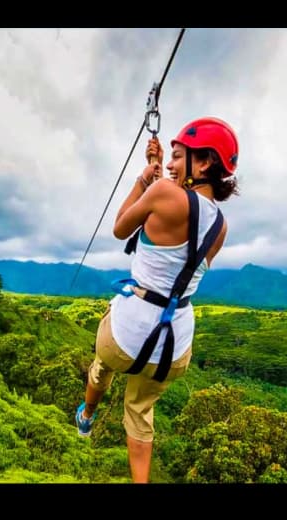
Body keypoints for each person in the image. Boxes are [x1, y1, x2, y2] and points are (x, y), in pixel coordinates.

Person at [75, 116, 240, 483]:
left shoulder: (164, 192)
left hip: (127, 334)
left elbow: (120, 227)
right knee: (139, 410)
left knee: (102, 367)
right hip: (174, 348)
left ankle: (86, 417)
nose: (169, 164)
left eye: (178, 157)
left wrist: (143, 180)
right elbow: (185, 221)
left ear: (205, 161)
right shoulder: (221, 226)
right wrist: (161, 173)